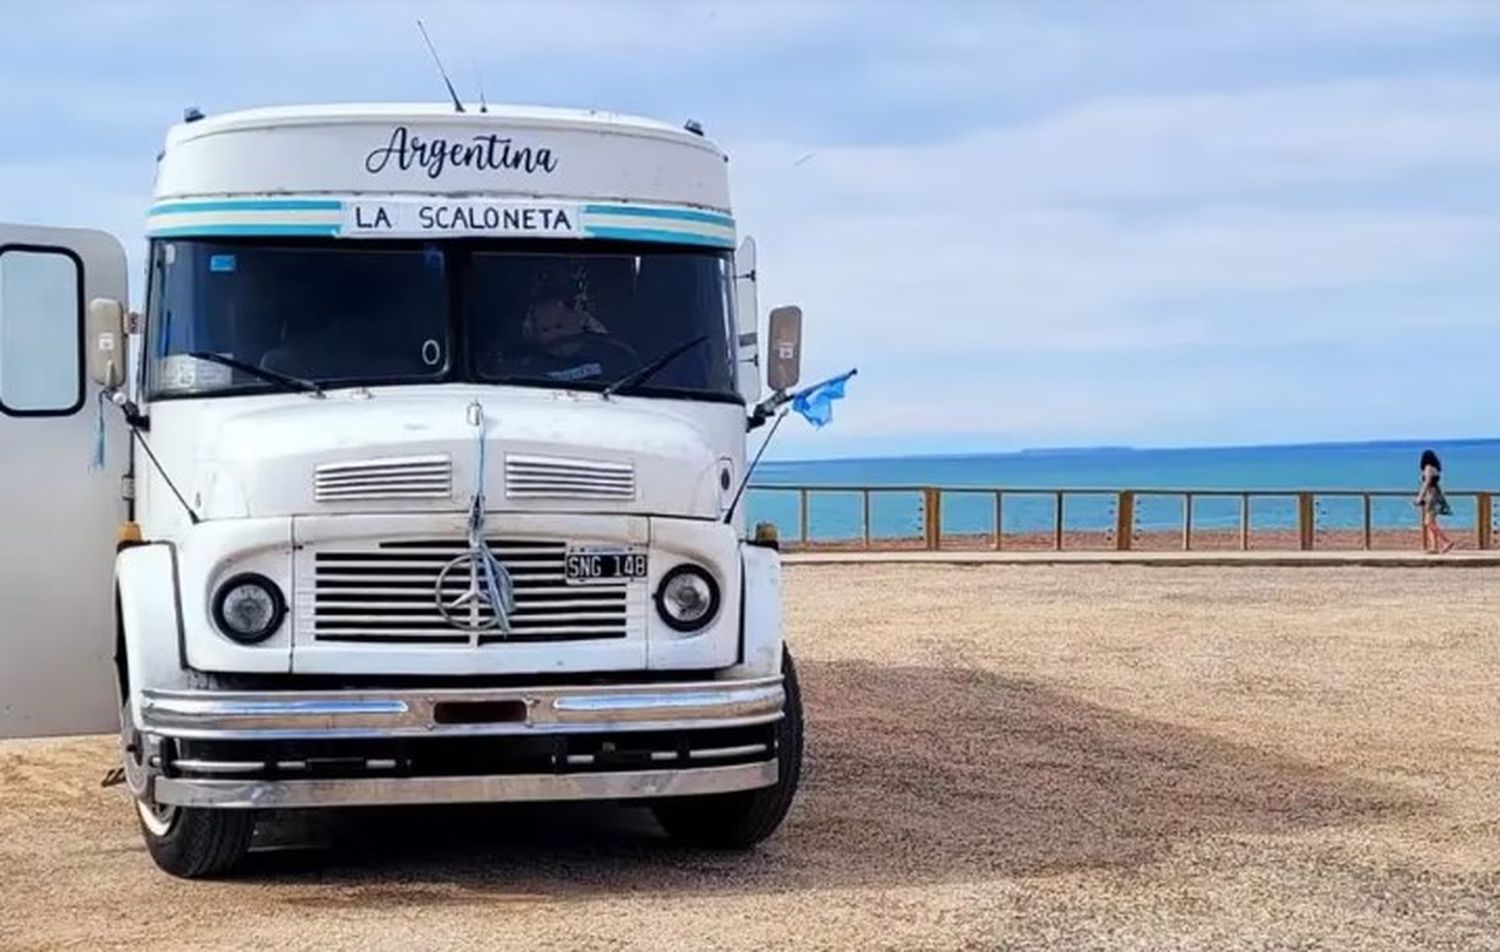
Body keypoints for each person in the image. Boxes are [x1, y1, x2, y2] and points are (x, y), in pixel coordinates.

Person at [509, 295, 638, 384]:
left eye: (560, 326)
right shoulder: (530, 366)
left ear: (578, 322)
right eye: (545, 330)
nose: (556, 335)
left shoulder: (609, 355)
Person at [1415, 448, 1455, 554]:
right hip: (1435, 494)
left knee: (1428, 522)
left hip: (1432, 495)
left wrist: (1420, 496)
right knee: (1431, 522)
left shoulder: (1428, 468)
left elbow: (1426, 483)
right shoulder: (1435, 468)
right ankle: (1434, 547)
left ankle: (1447, 541)